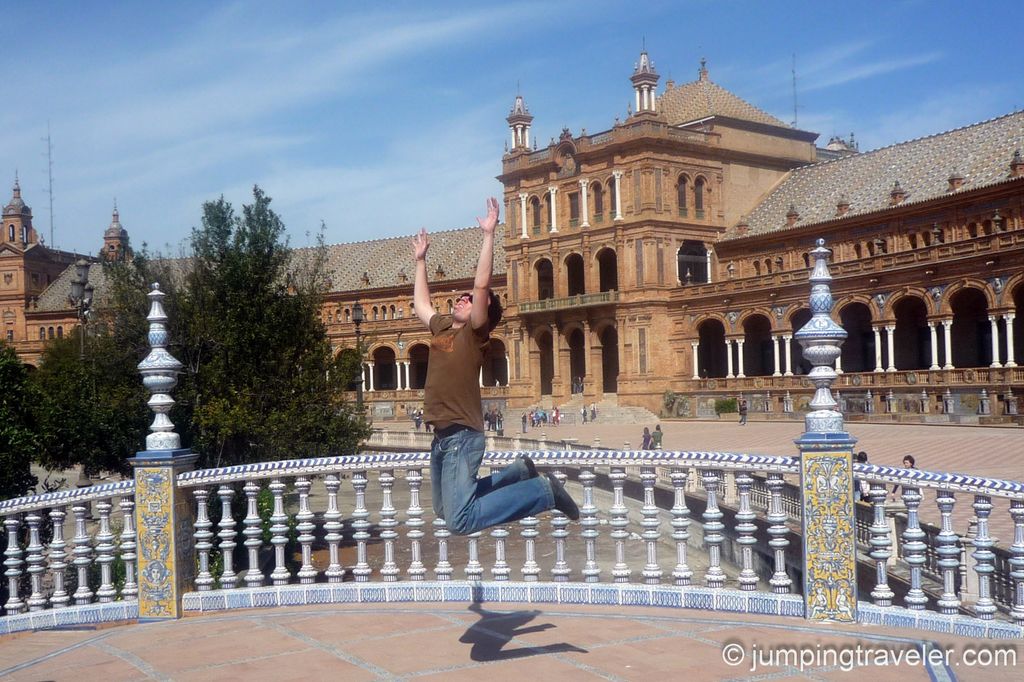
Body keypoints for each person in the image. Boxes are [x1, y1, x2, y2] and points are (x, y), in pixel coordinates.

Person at [412, 198, 578, 535]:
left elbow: (482, 284)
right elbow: (421, 304)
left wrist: (488, 235)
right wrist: (420, 261)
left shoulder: (476, 334)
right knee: (445, 510)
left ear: (483, 311)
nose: (463, 298)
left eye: (470, 300)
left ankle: (543, 492)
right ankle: (516, 474)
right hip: (442, 437)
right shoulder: (443, 326)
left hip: (461, 434)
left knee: (460, 520)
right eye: (461, 297)